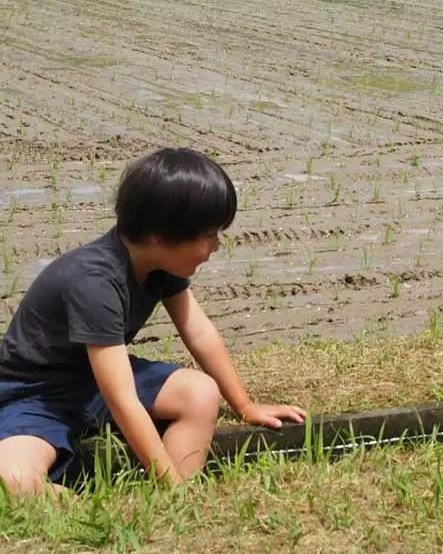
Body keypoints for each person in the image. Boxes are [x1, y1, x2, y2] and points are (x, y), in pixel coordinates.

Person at [0, 148, 305, 494]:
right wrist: (169, 480)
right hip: (36, 397)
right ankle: (145, 496)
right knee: (14, 479)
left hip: (94, 383)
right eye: (209, 236)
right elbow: (122, 400)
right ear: (162, 236)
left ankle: (172, 499)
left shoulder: (157, 262)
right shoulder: (94, 283)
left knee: (201, 392)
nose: (216, 246)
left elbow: (198, 331)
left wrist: (245, 405)